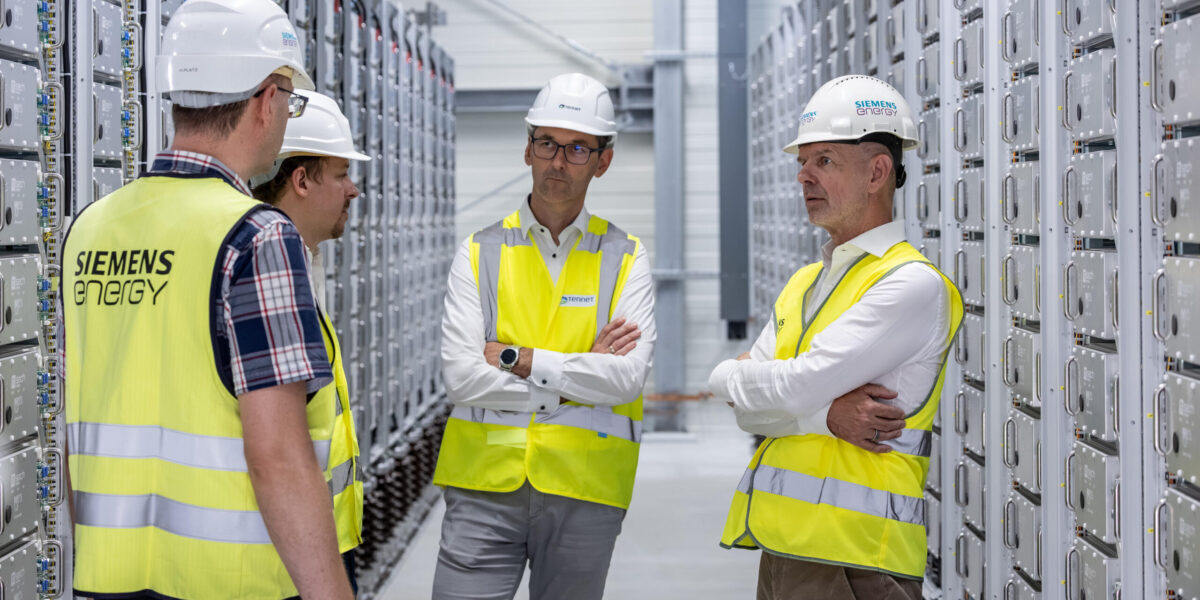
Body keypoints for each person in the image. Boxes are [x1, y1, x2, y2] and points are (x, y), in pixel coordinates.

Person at [62, 0, 354, 597]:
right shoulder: (256, 235)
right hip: (227, 583)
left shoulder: (89, 228)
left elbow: (73, 425)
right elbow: (278, 455)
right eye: (290, 101)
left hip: (106, 578)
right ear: (267, 99)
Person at [708, 75, 964, 600]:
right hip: (783, 548)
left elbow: (789, 389)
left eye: (824, 160)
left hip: (859, 563)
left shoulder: (909, 284)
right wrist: (823, 415)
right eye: (803, 162)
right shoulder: (806, 283)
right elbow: (744, 408)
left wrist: (760, 387)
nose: (803, 176)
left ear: (877, 172)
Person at [431, 72, 656, 600]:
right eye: (547, 143)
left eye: (578, 148)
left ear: (603, 161)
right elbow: (462, 378)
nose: (558, 161)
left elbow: (625, 379)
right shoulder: (479, 252)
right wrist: (578, 378)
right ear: (527, 149)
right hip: (482, 486)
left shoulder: (627, 257)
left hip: (586, 488)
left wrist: (518, 358)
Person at [252, 89, 372, 593]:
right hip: (290, 551)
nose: (353, 190)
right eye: (342, 174)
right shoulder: (267, 272)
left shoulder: (305, 263)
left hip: (318, 537)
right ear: (301, 180)